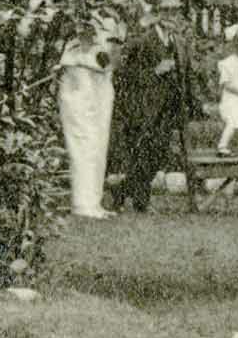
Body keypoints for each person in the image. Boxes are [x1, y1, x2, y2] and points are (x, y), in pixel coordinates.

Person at [105, 16, 190, 214]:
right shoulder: (142, 41)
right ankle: (141, 201)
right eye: (168, 11)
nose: (173, 15)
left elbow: (187, 74)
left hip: (169, 110)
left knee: (158, 155)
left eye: (175, 10)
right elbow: (124, 73)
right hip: (144, 109)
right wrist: (154, 71)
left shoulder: (179, 42)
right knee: (144, 154)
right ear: (158, 17)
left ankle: (122, 190)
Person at [55, 19, 115, 219]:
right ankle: (82, 203)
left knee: (97, 151)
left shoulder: (100, 49)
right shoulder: (71, 49)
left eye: (89, 27)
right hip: (77, 110)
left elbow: (107, 68)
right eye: (81, 27)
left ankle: (94, 202)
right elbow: (68, 79)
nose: (85, 31)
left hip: (98, 108)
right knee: (82, 151)